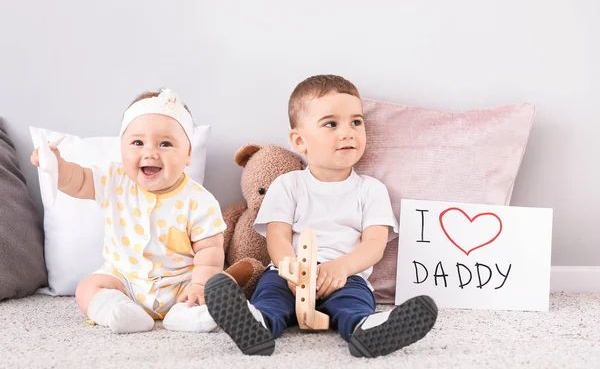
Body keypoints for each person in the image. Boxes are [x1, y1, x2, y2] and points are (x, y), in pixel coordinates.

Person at [204, 75, 437, 357]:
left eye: (356, 122)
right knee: (271, 295)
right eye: (331, 124)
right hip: (288, 274)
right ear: (299, 140)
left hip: (345, 276)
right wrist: (289, 267)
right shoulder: (288, 184)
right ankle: (258, 324)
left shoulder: (371, 190)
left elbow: (374, 244)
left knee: (353, 301)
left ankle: (367, 328)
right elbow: (277, 236)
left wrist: (340, 268)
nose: (348, 132)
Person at [31, 88, 226, 334]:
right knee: (88, 287)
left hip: (180, 285)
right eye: (137, 142)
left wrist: (199, 286)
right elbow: (78, 180)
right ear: (121, 147)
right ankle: (117, 310)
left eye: (165, 144)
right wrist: (56, 165)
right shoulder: (114, 180)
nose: (150, 152)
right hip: (124, 282)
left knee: (217, 285)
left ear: (188, 154)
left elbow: (210, 251)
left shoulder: (199, 201)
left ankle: (187, 314)